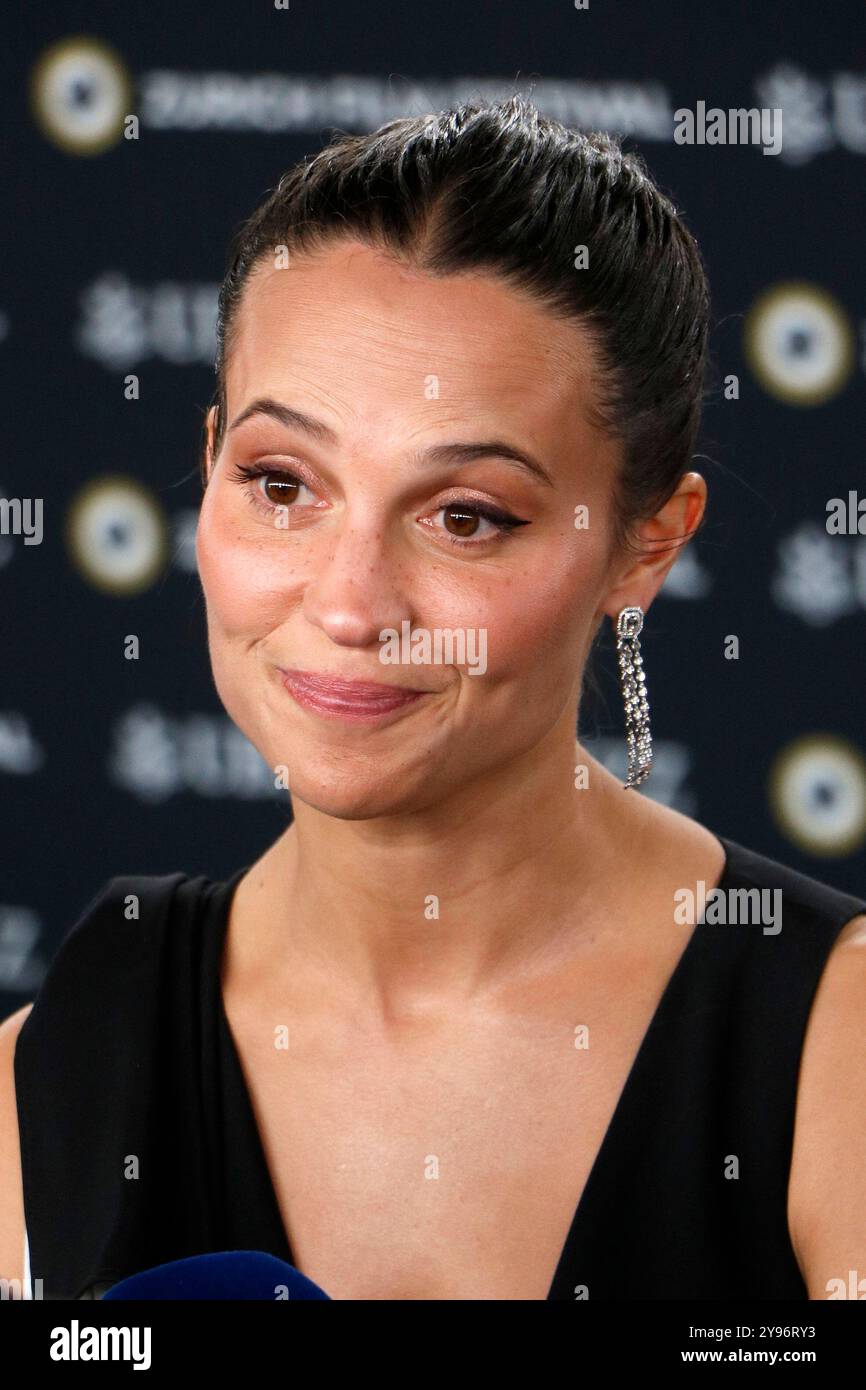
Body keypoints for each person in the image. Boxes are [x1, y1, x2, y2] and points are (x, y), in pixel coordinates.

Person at [2, 96, 865, 1302]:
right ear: (207, 468)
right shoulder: (45, 1076)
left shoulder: (837, 1044)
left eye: (465, 515)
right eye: (281, 483)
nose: (351, 604)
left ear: (645, 545)